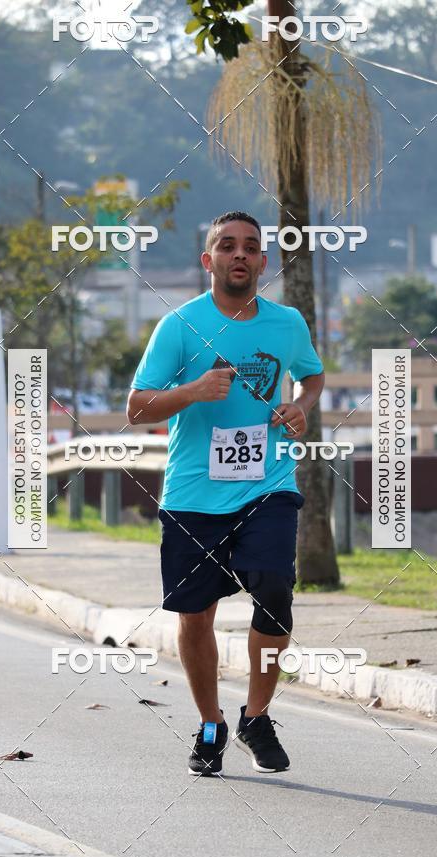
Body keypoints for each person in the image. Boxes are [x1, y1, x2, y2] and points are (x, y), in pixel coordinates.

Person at [126, 211, 325, 776]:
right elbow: (136, 408)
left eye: (251, 248)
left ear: (263, 262)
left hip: (267, 485)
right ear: (207, 260)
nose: (240, 254)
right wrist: (190, 391)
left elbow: (312, 376)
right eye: (227, 246)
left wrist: (300, 407)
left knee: (274, 588)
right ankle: (211, 721)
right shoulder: (180, 326)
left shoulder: (287, 323)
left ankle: (256, 716)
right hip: (192, 497)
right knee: (195, 616)